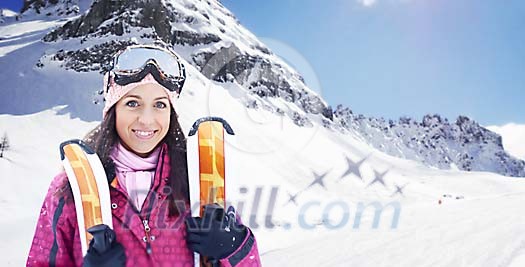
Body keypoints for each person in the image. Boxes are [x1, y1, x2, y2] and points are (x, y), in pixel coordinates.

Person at [27, 44, 261, 267]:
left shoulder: (201, 181)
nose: (146, 120)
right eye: (132, 103)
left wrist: (235, 247)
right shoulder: (71, 188)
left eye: (160, 105)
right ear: (113, 110)